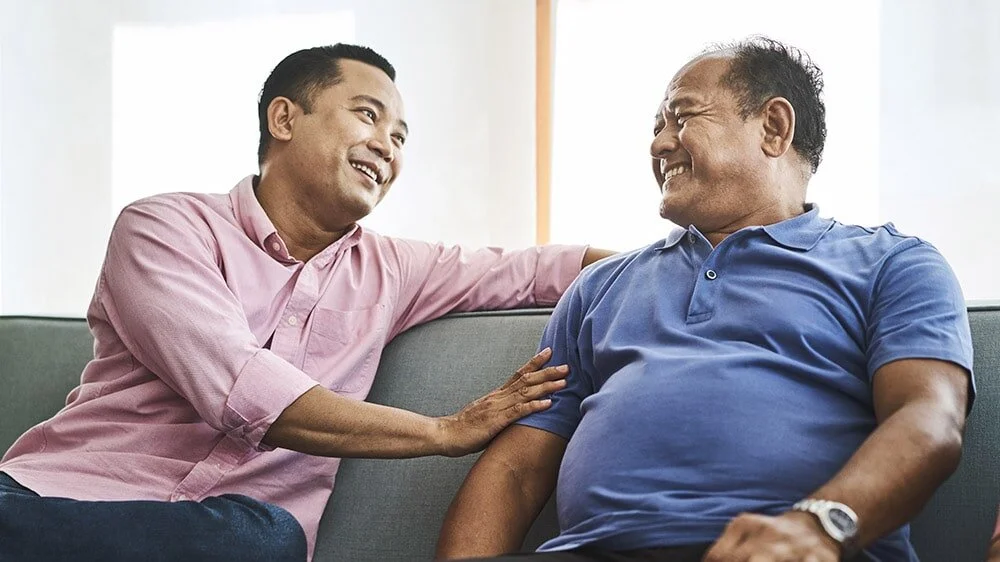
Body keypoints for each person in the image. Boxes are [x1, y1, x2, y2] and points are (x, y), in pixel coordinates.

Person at [0, 43, 613, 562]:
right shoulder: (164, 228)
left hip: (230, 534)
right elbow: (240, 386)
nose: (388, 146)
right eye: (368, 116)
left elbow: (539, 269)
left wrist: (671, 261)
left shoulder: (396, 270)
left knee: (265, 538)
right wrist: (443, 431)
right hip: (55, 499)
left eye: (400, 137)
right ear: (285, 118)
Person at [436, 36, 973, 562]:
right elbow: (517, 470)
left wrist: (819, 526)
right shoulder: (599, 287)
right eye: (656, 128)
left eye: (682, 117)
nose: (658, 145)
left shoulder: (893, 264)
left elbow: (928, 417)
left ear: (773, 128)